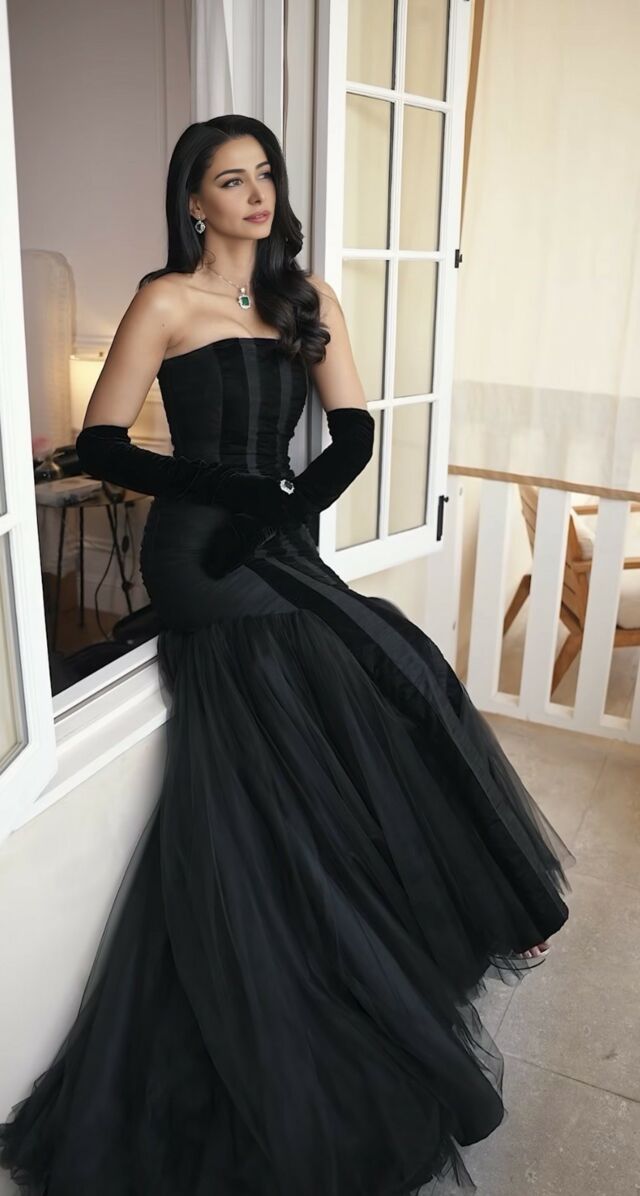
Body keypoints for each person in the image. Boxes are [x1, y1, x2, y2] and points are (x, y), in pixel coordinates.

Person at [0, 114, 575, 1196]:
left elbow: (353, 433)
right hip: (197, 552)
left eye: (264, 173)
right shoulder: (164, 300)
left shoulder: (306, 299)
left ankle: (463, 911)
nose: (256, 193)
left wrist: (284, 505)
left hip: (274, 535)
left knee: (401, 664)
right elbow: (104, 441)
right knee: (316, 682)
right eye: (231, 179)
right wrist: (223, 491)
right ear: (194, 202)